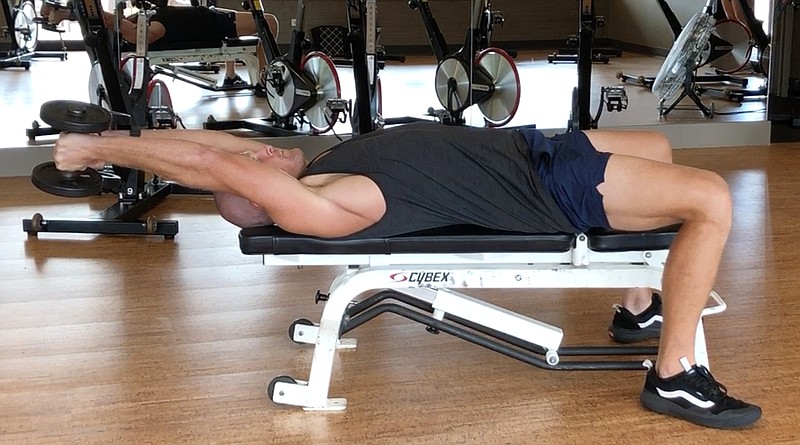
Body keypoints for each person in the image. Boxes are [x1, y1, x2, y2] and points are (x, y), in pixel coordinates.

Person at [51, 123, 761, 429]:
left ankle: (640, 301)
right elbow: (218, 168)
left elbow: (217, 152)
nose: (265, 151)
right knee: (710, 198)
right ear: (264, 195)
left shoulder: (319, 166)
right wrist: (95, 149)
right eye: (259, 164)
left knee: (661, 149)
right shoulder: (329, 201)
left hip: (528, 150)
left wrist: (133, 134)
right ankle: (672, 375)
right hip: (542, 190)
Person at [40, 1, 278, 88]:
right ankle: (267, 74)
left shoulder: (150, 18)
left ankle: (232, 75)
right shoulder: (155, 29)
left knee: (263, 22)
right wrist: (95, 15)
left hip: (211, 16)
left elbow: (129, 28)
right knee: (268, 21)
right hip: (216, 23)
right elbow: (135, 35)